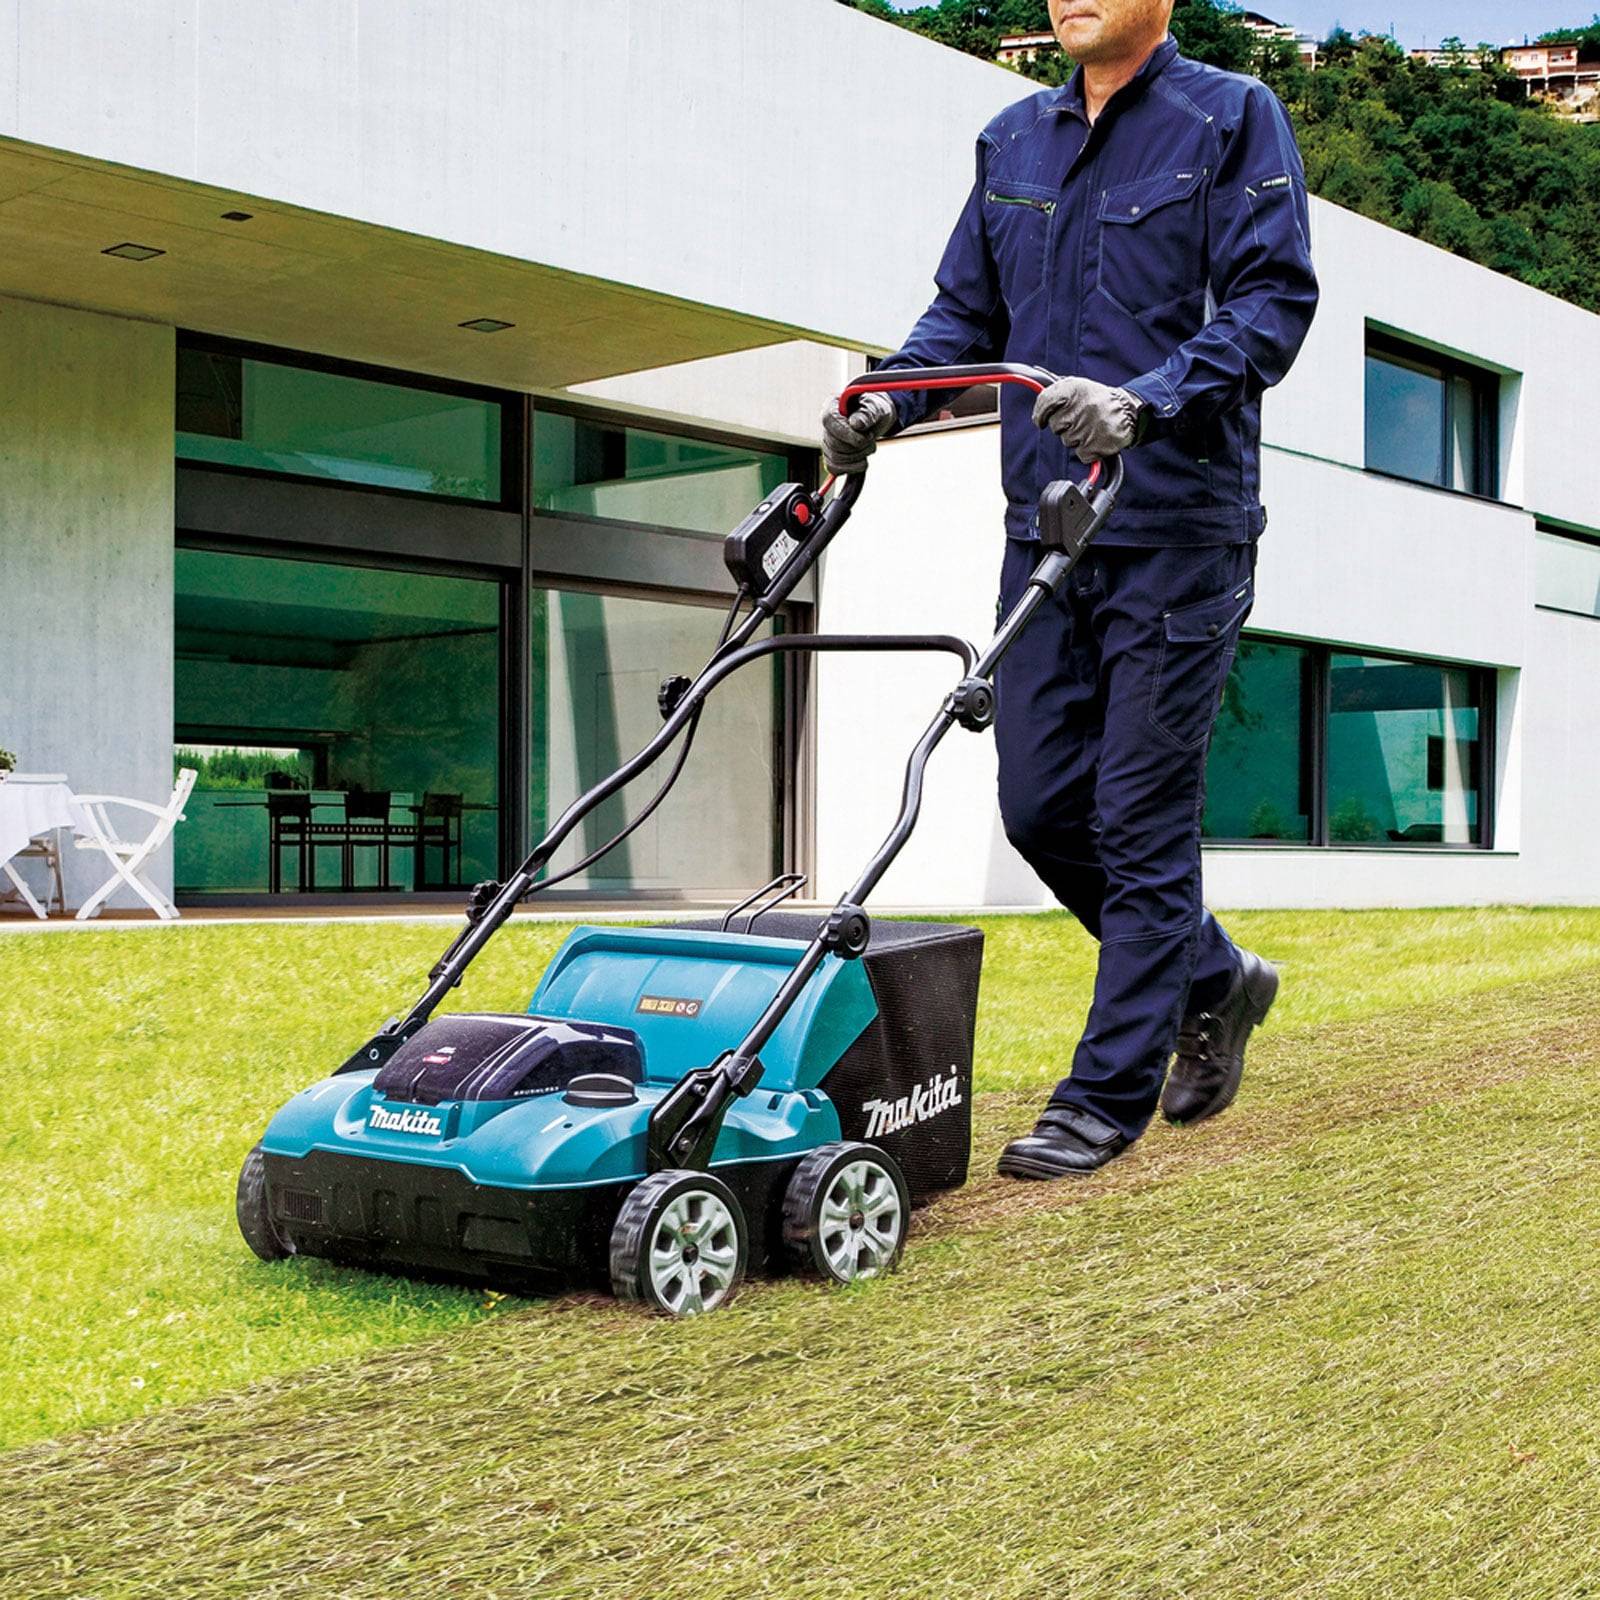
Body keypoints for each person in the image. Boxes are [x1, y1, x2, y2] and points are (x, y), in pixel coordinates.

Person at [821, 0, 1319, 1178]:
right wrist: (884, 400)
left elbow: (1270, 304)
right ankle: (1215, 974)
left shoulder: (1232, 118)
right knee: (1041, 808)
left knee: (1140, 823)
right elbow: (965, 313)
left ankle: (1104, 1095)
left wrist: (1143, 397)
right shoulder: (1011, 140)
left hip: (1178, 529)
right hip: (1043, 526)